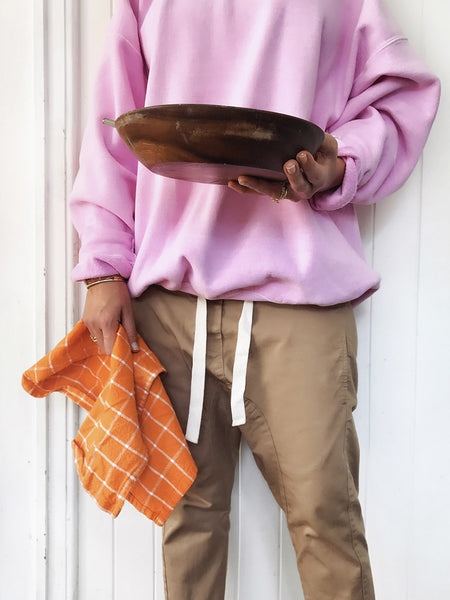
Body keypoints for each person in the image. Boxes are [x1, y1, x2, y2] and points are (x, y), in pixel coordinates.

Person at [71, 0, 440, 598]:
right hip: (170, 299)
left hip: (299, 298)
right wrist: (103, 270)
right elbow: (114, 122)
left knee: (327, 521)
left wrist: (338, 164)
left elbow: (401, 96)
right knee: (187, 527)